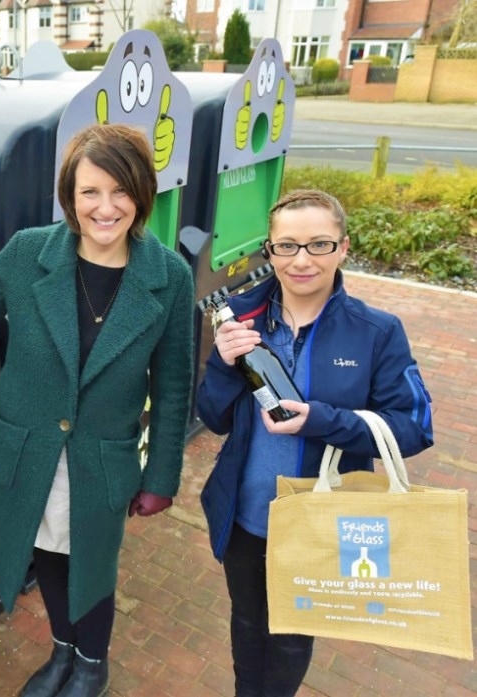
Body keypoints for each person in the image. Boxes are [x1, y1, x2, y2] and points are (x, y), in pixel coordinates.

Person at [0, 123, 195, 697]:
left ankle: (91, 666)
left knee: (92, 565)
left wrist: (162, 476)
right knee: (47, 550)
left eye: (121, 191)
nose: (106, 207)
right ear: (70, 197)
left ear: (142, 193)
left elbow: (174, 387)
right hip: (29, 448)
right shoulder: (30, 252)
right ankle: (63, 652)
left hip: (101, 457)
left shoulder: (168, 276)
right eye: (90, 192)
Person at [197, 189, 433, 697]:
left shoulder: (377, 332)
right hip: (246, 515)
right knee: (247, 622)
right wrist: (223, 364)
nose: (302, 260)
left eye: (319, 244)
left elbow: (414, 427)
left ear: (343, 248)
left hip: (322, 522)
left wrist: (321, 420)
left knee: (290, 637)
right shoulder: (242, 316)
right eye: (287, 246)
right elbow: (212, 417)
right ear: (270, 251)